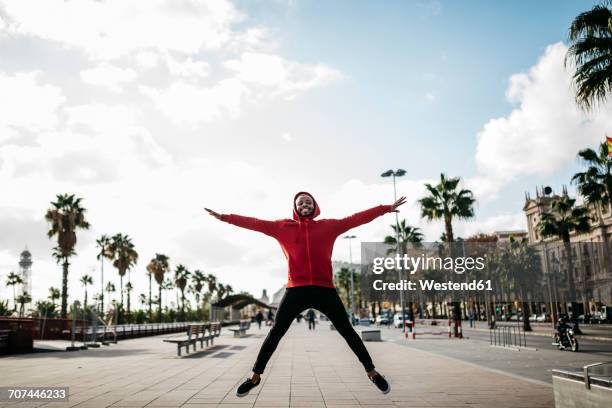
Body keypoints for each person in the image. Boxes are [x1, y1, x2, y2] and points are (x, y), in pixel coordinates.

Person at [206, 192, 405, 397]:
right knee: (276, 332)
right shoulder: (281, 227)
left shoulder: (329, 226)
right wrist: (225, 217)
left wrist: (385, 209)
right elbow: (254, 223)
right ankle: (255, 376)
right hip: (296, 289)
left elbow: (356, 219)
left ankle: (372, 372)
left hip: (324, 289)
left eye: (308, 202)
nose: (304, 204)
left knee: (347, 330)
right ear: (295, 207)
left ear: (314, 206)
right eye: (300, 202)